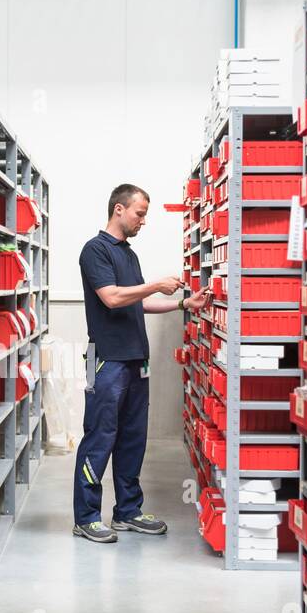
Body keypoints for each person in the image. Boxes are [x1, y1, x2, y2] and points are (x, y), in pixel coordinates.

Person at [72, 184, 211, 544]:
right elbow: (112, 297)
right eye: (140, 213)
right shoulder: (95, 250)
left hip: (136, 360)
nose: (143, 221)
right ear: (118, 209)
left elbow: (139, 303)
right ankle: (86, 517)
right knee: (100, 437)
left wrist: (183, 304)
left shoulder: (129, 255)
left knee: (133, 438)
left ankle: (128, 511)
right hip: (106, 360)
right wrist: (154, 285)